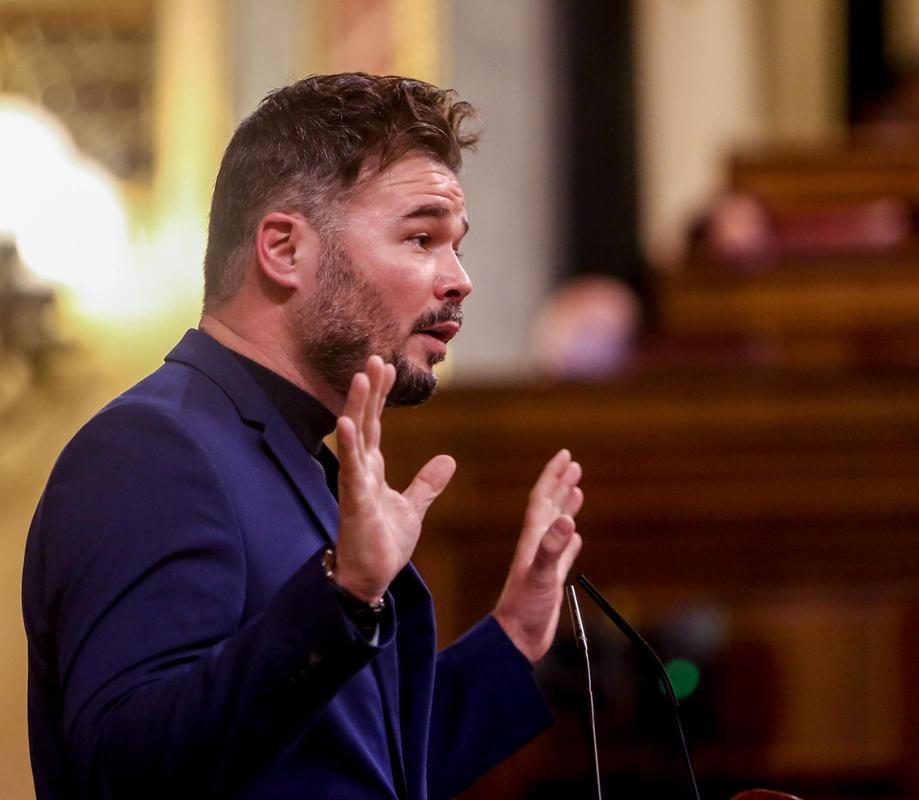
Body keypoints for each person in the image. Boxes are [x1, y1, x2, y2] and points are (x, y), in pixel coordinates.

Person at [22, 73, 584, 799]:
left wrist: (513, 636)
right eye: (421, 237)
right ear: (284, 250)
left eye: (457, 246)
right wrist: (344, 593)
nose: (458, 279)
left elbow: (350, 770)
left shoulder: (298, 459)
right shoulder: (151, 451)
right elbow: (128, 771)